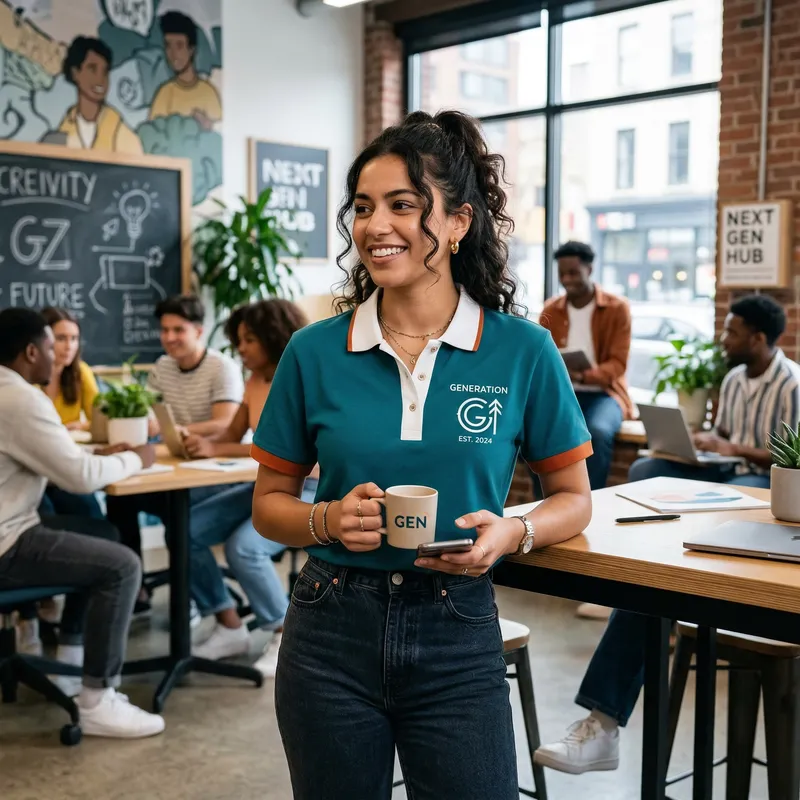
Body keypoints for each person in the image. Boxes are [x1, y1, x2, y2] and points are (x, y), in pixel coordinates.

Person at [250, 109, 594, 799]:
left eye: (403, 205)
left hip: (457, 624)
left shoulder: (521, 350)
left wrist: (512, 532)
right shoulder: (313, 351)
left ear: (459, 222)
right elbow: (268, 506)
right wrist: (326, 520)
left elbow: (574, 497)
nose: (376, 226)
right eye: (364, 207)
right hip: (328, 627)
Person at [534, 293, 800, 776]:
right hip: (725, 474)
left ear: (758, 338)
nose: (723, 339)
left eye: (732, 332)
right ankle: (646, 562)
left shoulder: (792, 384)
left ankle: (607, 710)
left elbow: (790, 460)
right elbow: (723, 436)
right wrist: (701, 446)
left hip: (762, 485)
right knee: (648, 466)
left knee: (736, 495)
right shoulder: (736, 379)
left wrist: (731, 448)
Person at [0, 308, 164, 738]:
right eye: (52, 348)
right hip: (7, 541)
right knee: (122, 565)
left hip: (12, 526)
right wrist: (135, 458)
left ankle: (72, 657)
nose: (57, 358)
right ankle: (97, 700)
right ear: (31, 351)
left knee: (102, 533)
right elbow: (77, 478)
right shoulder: (18, 398)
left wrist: (100, 456)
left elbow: (59, 460)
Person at [180, 299, 317, 675]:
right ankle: (228, 623)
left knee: (245, 548)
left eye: (249, 339)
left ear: (272, 338)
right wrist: (201, 444)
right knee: (185, 530)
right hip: (266, 483)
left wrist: (216, 447)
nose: (241, 348)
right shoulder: (255, 380)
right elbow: (232, 433)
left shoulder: (302, 376)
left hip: (312, 488)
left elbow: (278, 446)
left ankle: (283, 632)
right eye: (239, 340)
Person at [105, 294, 245, 613]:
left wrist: (182, 431)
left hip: (218, 467)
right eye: (164, 330)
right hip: (178, 463)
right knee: (121, 498)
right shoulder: (163, 367)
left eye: (178, 330)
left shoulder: (222, 368)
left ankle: (198, 598)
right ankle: (136, 585)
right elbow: (154, 417)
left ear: (198, 330)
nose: (169, 338)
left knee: (177, 516)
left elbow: (224, 422)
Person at [539, 241, 633, 492]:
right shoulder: (551, 310)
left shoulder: (616, 309)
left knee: (598, 432)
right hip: (565, 392)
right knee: (535, 431)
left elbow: (617, 364)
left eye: (573, 273)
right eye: (562, 274)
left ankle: (590, 502)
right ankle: (543, 504)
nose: (567, 280)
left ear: (589, 269)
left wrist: (583, 375)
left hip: (605, 394)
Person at [37, 307, 104, 520]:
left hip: (68, 465)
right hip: (37, 469)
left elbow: (100, 419)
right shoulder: (28, 377)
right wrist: (63, 429)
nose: (69, 346)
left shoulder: (80, 372)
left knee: (92, 513)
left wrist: (80, 425)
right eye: (61, 338)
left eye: (74, 339)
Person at [58, 37, 142, 155]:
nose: (100, 79)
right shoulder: (63, 130)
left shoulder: (122, 133)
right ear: (75, 73)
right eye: (92, 69)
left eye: (105, 72)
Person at [149, 11, 222, 130]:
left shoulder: (208, 93)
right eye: (168, 46)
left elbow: (220, 138)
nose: (173, 54)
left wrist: (207, 126)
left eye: (179, 46)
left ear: (191, 50)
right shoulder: (165, 93)